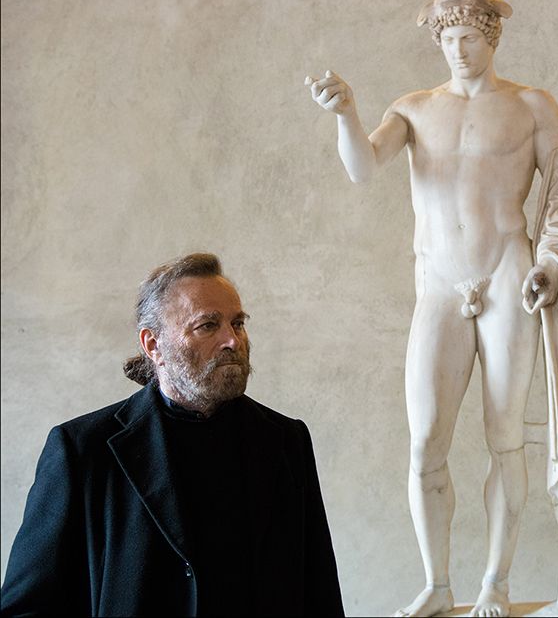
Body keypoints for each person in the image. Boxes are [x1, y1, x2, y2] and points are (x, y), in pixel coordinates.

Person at [306, 0, 558, 617]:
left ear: (492, 37)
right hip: (439, 283)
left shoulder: (532, 106)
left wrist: (550, 266)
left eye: (468, 38)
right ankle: (438, 583)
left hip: (508, 275)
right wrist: (345, 113)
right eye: (448, 39)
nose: (457, 50)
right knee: (425, 441)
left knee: (504, 435)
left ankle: (494, 583)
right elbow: (362, 167)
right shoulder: (413, 109)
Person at [0, 253, 345, 617]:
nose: (232, 340)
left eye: (237, 323)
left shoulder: (286, 440)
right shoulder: (82, 450)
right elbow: (26, 608)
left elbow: (319, 594)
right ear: (153, 345)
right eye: (208, 325)